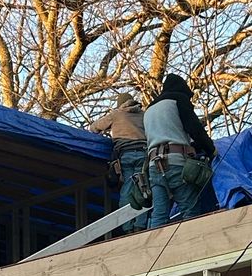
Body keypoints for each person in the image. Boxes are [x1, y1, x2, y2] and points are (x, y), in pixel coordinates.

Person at [143, 74, 217, 228]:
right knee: (190, 209)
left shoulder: (149, 110)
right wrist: (211, 150)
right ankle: (191, 247)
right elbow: (195, 130)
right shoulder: (178, 100)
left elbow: (163, 134)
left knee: (159, 213)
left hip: (153, 166)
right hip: (175, 162)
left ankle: (155, 249)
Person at [92, 93, 150, 226]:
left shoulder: (116, 114)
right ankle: (140, 225)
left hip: (125, 155)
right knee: (143, 189)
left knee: (127, 190)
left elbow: (95, 127)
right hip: (143, 154)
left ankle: (127, 226)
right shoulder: (144, 115)